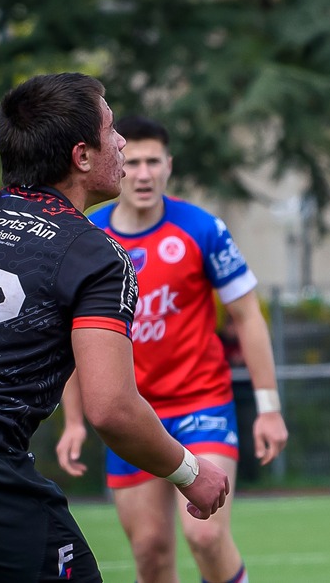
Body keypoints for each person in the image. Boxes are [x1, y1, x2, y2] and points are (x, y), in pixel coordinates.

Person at [0, 73, 229, 583]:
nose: (122, 141)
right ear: (82, 156)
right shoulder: (95, 255)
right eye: (111, 129)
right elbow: (113, 408)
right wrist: (190, 472)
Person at [53, 117, 286, 583]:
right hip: (131, 414)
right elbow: (72, 337)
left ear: (168, 166)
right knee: (151, 552)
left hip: (203, 403)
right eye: (133, 161)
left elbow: (248, 316)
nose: (142, 173)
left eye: (153, 162)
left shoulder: (202, 230)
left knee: (206, 537)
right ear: (115, 164)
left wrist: (269, 408)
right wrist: (75, 421)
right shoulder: (87, 236)